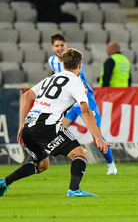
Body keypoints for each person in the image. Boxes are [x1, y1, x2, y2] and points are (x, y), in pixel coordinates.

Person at [0, 48, 110, 197]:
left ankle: (4, 182)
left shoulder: (49, 79)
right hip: (46, 126)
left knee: (41, 166)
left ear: (63, 64)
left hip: (29, 126)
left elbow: (26, 96)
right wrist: (97, 136)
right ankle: (74, 190)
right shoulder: (76, 82)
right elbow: (85, 110)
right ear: (80, 65)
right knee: (81, 154)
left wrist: (22, 125)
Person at [48, 33, 118, 175]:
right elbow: (53, 74)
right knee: (58, 129)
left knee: (96, 135)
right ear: (52, 48)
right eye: (57, 46)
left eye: (62, 45)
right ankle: (77, 148)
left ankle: (111, 164)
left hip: (84, 100)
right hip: (68, 103)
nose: (60, 48)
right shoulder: (52, 61)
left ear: (66, 46)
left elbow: (75, 79)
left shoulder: (74, 61)